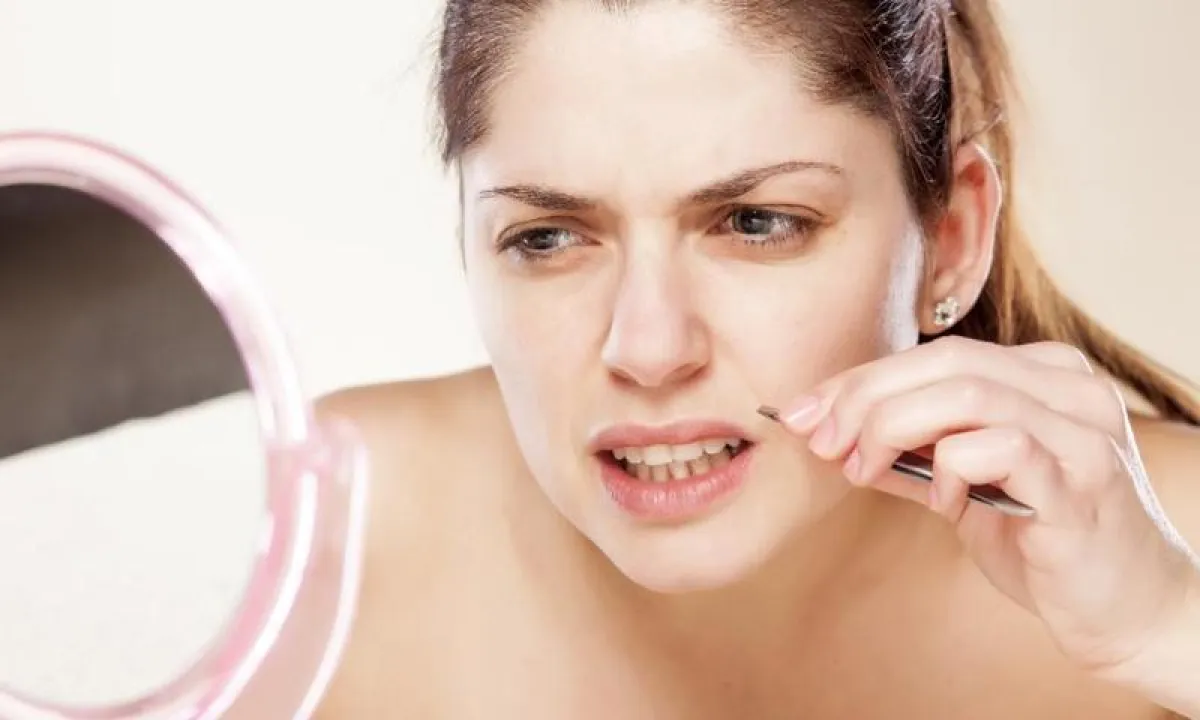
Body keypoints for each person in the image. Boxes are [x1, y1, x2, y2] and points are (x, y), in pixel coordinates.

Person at [312, 0, 1200, 717]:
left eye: (757, 223)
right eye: (546, 237)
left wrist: (1165, 630)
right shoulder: (315, 535)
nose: (649, 349)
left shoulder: (1175, 546)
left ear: (952, 240)